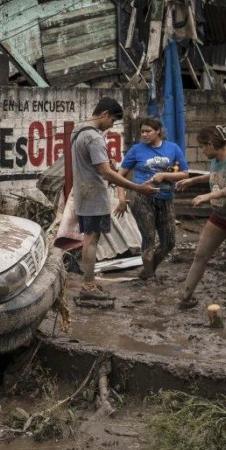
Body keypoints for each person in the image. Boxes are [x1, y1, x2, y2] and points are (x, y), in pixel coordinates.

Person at [71, 97, 158, 300]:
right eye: (112, 120)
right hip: (94, 195)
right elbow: (106, 173)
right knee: (92, 238)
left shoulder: (78, 131)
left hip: (83, 193)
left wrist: (105, 164)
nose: (111, 126)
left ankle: (88, 283)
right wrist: (137, 187)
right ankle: (88, 285)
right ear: (105, 114)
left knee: (90, 237)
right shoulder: (94, 138)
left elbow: (95, 164)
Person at [175, 125, 226, 310]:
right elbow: (215, 175)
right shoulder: (217, 160)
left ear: (210, 144)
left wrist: (209, 196)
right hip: (220, 215)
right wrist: (194, 180)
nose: (202, 151)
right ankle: (186, 298)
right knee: (200, 255)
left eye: (203, 146)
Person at [114, 117, 189, 280]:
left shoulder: (173, 148)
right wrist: (121, 198)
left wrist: (164, 175)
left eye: (148, 131)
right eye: (142, 132)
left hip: (166, 199)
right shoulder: (136, 150)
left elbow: (184, 174)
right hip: (142, 199)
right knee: (148, 238)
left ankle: (148, 271)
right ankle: (150, 277)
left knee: (169, 242)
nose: (144, 135)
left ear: (158, 131)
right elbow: (119, 175)